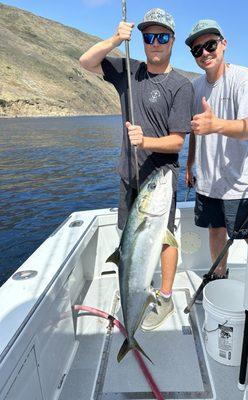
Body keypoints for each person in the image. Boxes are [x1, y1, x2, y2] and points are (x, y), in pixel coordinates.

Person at [79, 9, 193, 330]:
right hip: (128, 176)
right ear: (141, 40)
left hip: (159, 180)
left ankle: (166, 297)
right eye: (148, 37)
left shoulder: (181, 86)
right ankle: (132, 293)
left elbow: (176, 143)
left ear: (172, 40)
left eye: (162, 37)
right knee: (128, 242)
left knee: (166, 238)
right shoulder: (129, 71)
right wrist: (116, 39)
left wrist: (146, 141)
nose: (155, 43)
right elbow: (86, 61)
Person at [184, 19, 248, 279]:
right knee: (215, 229)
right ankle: (219, 276)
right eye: (197, 50)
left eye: (210, 45)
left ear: (224, 44)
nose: (205, 53)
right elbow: (197, 130)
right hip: (208, 182)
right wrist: (189, 164)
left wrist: (216, 124)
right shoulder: (195, 87)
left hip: (240, 183)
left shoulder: (243, 78)